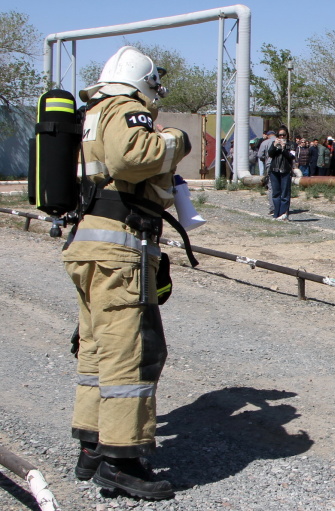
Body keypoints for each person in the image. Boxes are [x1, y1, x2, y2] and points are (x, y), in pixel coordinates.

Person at [63, 45, 191, 500]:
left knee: (96, 350)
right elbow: (131, 159)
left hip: (90, 244)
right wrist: (177, 139)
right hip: (120, 249)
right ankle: (123, 461)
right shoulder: (126, 109)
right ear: (145, 82)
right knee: (130, 352)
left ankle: (92, 446)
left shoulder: (93, 112)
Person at [268, 125, 296, 220]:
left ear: (287, 135)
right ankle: (276, 214)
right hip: (274, 170)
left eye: (284, 135)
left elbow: (291, 157)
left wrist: (284, 149)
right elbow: (270, 154)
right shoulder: (274, 143)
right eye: (280, 135)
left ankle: (284, 214)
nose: (282, 137)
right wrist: (274, 146)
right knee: (275, 193)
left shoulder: (292, 145)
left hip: (285, 170)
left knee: (285, 193)